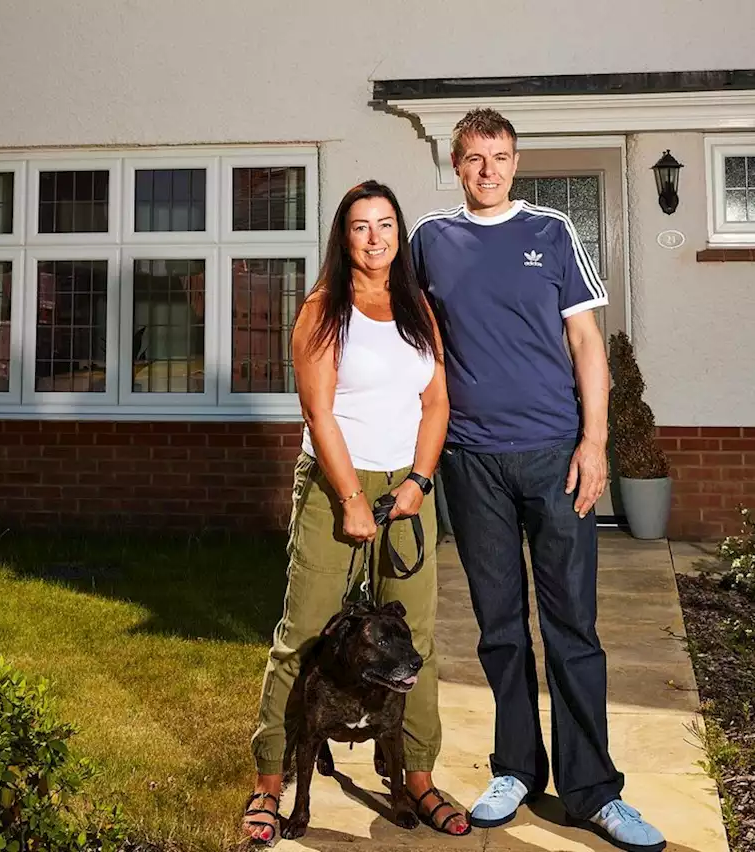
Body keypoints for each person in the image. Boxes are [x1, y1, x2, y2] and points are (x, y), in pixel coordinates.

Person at [408, 109, 667, 852]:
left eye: (500, 157)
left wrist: (595, 443)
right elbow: (416, 341)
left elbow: (588, 342)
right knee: (498, 628)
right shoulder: (430, 240)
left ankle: (593, 791)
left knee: (572, 628)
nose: (487, 170)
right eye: (474, 158)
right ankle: (515, 768)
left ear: (515, 163)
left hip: (554, 455)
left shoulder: (551, 232)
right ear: (456, 165)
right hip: (470, 460)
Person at [241, 180, 471, 845]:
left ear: (399, 234)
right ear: (344, 239)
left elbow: (437, 405)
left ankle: (417, 777)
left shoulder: (416, 307)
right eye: (361, 227)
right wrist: (348, 499)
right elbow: (318, 412)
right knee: (306, 632)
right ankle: (270, 781)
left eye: (387, 225)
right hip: (335, 484)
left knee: (414, 640)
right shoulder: (323, 309)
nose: (376, 238)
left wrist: (421, 483)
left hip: (407, 489)